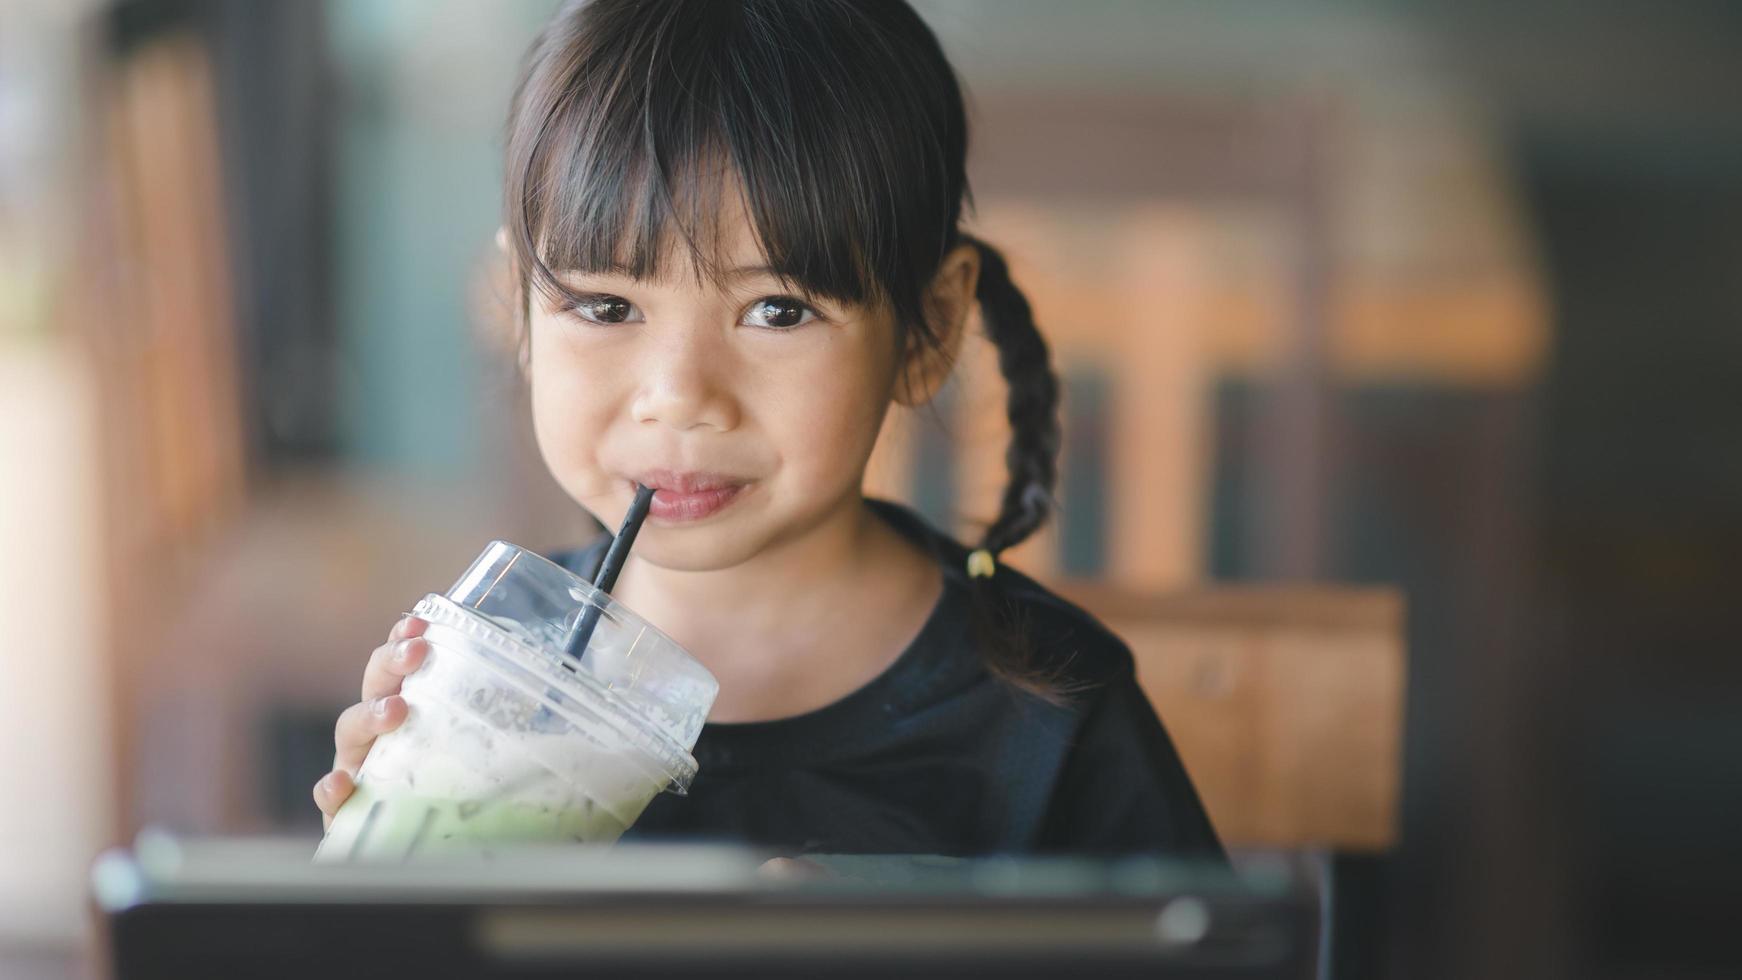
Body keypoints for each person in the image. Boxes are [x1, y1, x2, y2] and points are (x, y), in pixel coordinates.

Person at [313, 0, 1221, 859]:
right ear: (518, 306)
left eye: (778, 311)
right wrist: (385, 888)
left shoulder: (1049, 721)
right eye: (603, 304)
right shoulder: (483, 695)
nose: (679, 396)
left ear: (929, 329)